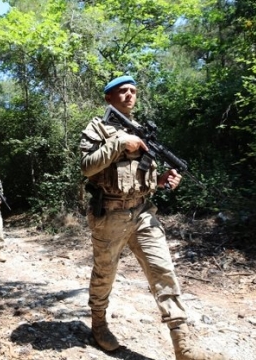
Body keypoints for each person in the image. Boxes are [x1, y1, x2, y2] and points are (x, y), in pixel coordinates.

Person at [79, 76, 227, 360]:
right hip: (109, 214)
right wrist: (121, 142)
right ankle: (99, 325)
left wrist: (159, 181)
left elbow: (139, 177)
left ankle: (183, 346)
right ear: (109, 98)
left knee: (164, 272)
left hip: (143, 213)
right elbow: (87, 167)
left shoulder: (141, 132)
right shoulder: (97, 128)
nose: (129, 95)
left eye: (133, 91)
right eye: (122, 91)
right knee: (104, 274)